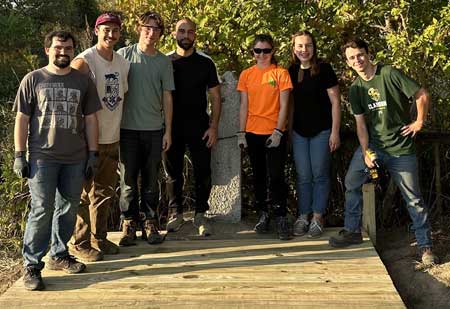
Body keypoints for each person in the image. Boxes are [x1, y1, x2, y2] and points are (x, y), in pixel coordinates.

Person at [328, 38, 438, 265]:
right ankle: (352, 231)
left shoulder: (388, 73)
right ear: (347, 63)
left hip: (401, 149)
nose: (357, 60)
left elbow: (422, 94)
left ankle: (426, 247)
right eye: (351, 58)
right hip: (375, 146)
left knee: (413, 199)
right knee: (352, 181)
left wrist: (419, 122)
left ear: (368, 54)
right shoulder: (357, 89)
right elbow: (360, 125)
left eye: (360, 55)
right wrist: (366, 152)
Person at [13, 30, 101, 290]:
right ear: (47, 50)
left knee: (69, 207)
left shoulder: (82, 81)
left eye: (68, 48)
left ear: (74, 50)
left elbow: (91, 119)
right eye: (58, 48)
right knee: (42, 209)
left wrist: (93, 153)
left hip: (75, 157)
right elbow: (22, 119)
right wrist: (20, 155)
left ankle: (60, 254)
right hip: (42, 157)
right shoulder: (33, 79)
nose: (63, 52)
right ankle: (31, 265)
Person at [69, 13, 130, 262]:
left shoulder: (123, 63)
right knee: (82, 194)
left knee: (104, 192)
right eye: (105, 29)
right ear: (96, 31)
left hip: (112, 137)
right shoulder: (84, 61)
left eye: (115, 30)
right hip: (86, 140)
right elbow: (72, 101)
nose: (110, 34)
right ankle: (79, 243)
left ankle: (99, 238)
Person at [117, 11, 174, 246]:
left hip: (153, 129)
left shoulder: (163, 61)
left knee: (151, 180)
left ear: (161, 34)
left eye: (156, 29)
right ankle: (128, 223)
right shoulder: (123, 56)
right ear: (139, 28)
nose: (151, 33)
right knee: (128, 181)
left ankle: (150, 222)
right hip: (126, 129)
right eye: (147, 28)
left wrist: (168, 130)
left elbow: (167, 97)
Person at [163, 18, 221, 236]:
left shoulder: (206, 62)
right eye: (181, 31)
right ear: (173, 34)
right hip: (171, 127)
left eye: (190, 32)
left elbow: (215, 96)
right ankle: (175, 214)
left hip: (200, 126)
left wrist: (213, 127)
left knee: (203, 171)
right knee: (172, 173)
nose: (185, 35)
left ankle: (200, 214)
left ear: (195, 35)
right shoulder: (164, 61)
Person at [237, 34, 293, 240]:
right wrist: (241, 133)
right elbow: (244, 105)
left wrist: (279, 131)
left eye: (266, 51)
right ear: (252, 52)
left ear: (273, 51)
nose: (262, 55)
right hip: (252, 132)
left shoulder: (280, 73)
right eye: (258, 51)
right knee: (259, 176)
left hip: (274, 132)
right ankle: (263, 214)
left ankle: (280, 216)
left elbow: (284, 104)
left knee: (276, 176)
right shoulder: (246, 74)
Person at [288, 31, 341, 238]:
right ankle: (303, 215)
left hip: (322, 131)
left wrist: (335, 132)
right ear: (294, 49)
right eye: (300, 46)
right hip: (299, 133)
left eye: (308, 45)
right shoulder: (291, 71)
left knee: (319, 175)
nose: (304, 50)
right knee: (303, 176)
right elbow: (290, 105)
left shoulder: (324, 69)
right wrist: (289, 132)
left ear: (314, 47)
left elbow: (336, 102)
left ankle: (318, 217)